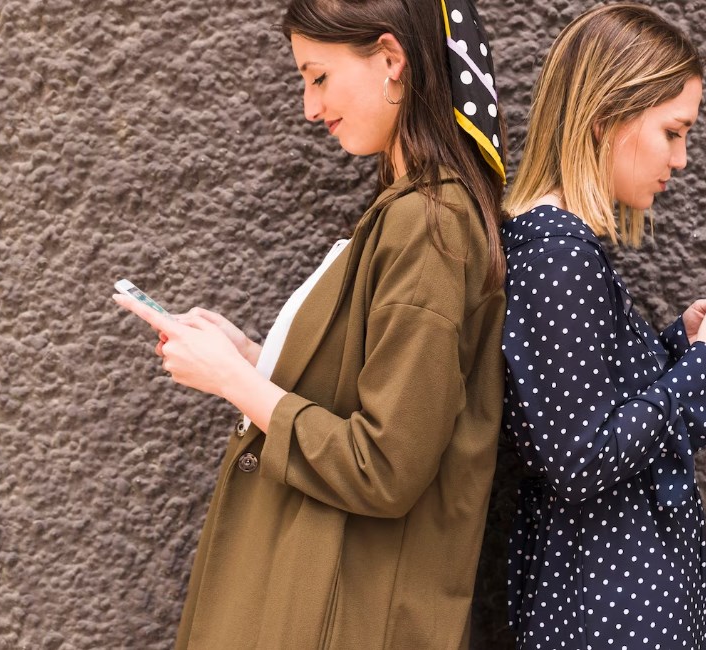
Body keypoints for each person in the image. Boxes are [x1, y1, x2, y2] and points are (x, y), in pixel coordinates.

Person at [115, 0, 507, 647]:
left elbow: (386, 464)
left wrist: (234, 385)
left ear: (390, 60)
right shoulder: (410, 214)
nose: (309, 107)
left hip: (341, 613)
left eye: (318, 76)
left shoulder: (427, 224)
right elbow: (366, 390)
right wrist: (249, 356)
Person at [500, 4, 706, 649]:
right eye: (673, 132)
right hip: (609, 610)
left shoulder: (557, 246)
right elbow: (577, 461)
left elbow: (585, 401)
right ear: (609, 120)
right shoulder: (557, 253)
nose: (682, 159)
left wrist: (678, 344)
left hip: (609, 598)